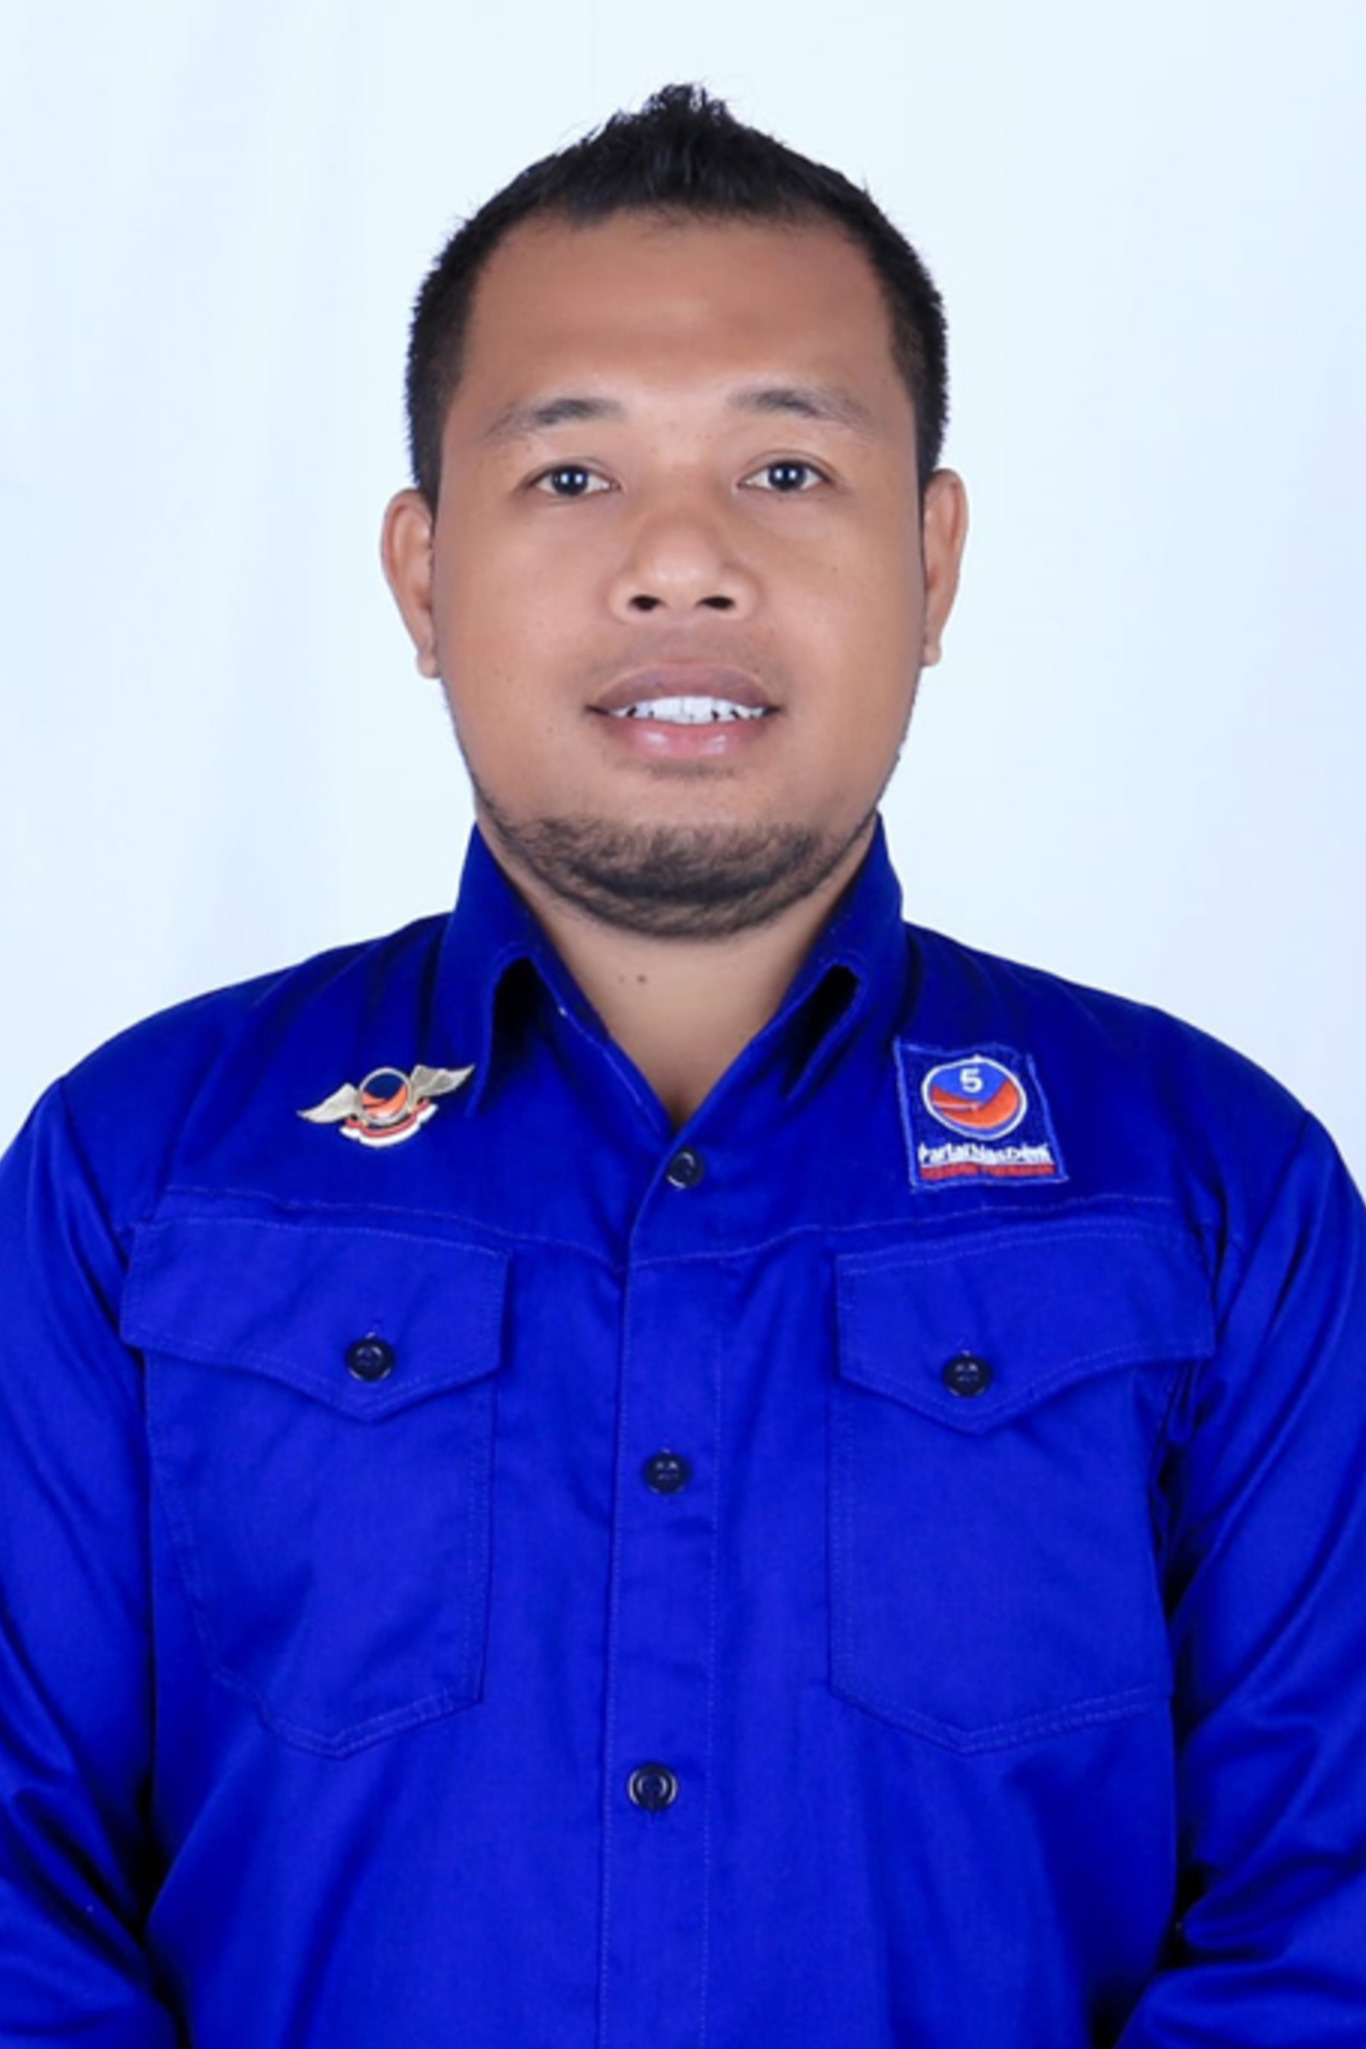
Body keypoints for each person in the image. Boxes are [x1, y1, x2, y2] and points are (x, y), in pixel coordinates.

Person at [0, 81, 1362, 2048]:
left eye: (784, 470)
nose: (679, 564)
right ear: (421, 576)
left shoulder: (1215, 1189)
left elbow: (1324, 1923)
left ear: (932, 558)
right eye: (570, 475)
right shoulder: (136, 1175)